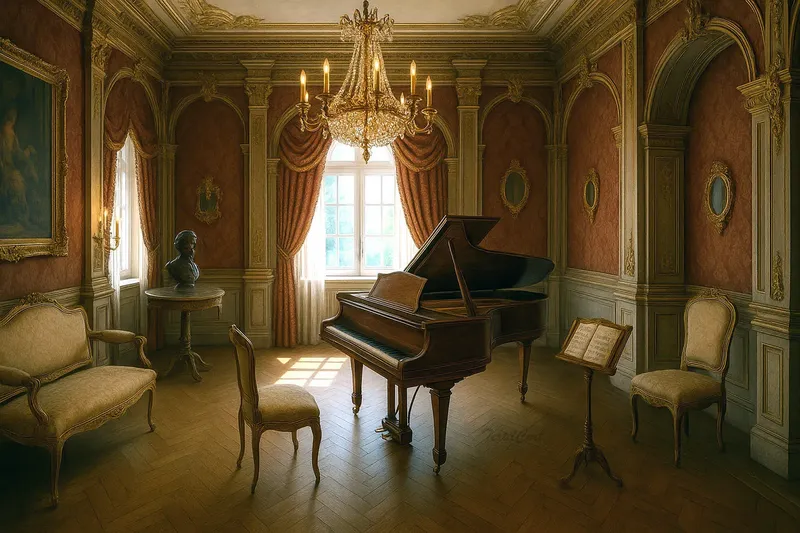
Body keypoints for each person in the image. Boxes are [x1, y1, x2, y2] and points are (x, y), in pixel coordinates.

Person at [0, 107, 39, 228]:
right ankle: (20, 218)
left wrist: (26, 152)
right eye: (13, 116)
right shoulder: (5, 132)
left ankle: (26, 216)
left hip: (10, 167)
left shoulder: (10, 132)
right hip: (6, 169)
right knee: (18, 185)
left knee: (27, 178)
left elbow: (16, 152)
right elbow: (10, 153)